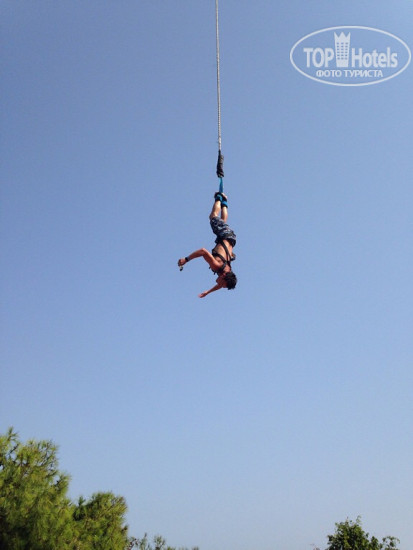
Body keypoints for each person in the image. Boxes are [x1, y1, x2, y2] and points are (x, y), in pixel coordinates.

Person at [178, 192, 237, 298]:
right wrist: (186, 259)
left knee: (222, 221)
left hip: (231, 238)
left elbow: (219, 285)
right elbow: (203, 251)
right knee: (213, 217)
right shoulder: (217, 265)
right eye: (223, 284)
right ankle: (219, 197)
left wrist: (208, 292)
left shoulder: (228, 271)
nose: (221, 285)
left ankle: (224, 201)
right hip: (224, 235)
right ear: (224, 276)